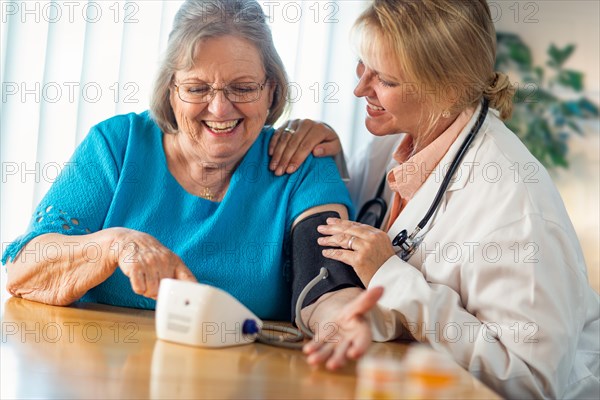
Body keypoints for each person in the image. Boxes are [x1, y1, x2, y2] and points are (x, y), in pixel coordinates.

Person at [1, 0, 379, 350]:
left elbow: (325, 286)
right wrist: (114, 244)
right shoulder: (117, 144)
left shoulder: (301, 161)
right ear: (170, 91)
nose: (219, 108)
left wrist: (341, 318)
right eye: (197, 88)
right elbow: (23, 271)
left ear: (271, 90)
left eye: (243, 88)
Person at [270, 0, 600, 398]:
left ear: (447, 89)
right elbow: (358, 233)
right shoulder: (394, 142)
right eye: (362, 63)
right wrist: (327, 165)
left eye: (385, 81)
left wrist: (393, 278)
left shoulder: (517, 205)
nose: (359, 88)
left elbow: (531, 382)